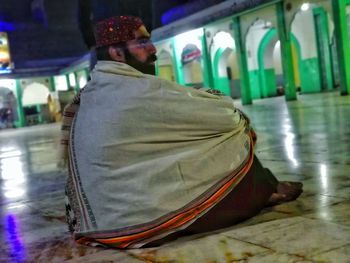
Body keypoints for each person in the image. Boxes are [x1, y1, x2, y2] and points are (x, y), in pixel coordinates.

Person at [62, 15, 303, 249]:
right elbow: (221, 116)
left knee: (189, 148)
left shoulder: (90, 93)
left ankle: (266, 186)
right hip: (136, 219)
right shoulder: (138, 90)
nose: (152, 49)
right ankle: (263, 190)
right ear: (116, 52)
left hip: (97, 219)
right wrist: (218, 102)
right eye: (142, 42)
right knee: (235, 130)